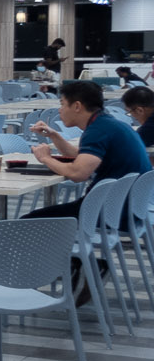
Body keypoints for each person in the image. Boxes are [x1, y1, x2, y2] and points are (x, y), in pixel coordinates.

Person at [24, 83, 151, 303]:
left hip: (109, 211)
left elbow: (78, 172)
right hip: (126, 207)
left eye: (62, 104)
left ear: (77, 106)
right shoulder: (107, 124)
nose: (59, 110)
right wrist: (55, 137)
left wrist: (45, 158)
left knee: (29, 223)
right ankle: (85, 265)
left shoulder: (99, 130)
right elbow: (83, 155)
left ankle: (84, 265)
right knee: (43, 219)